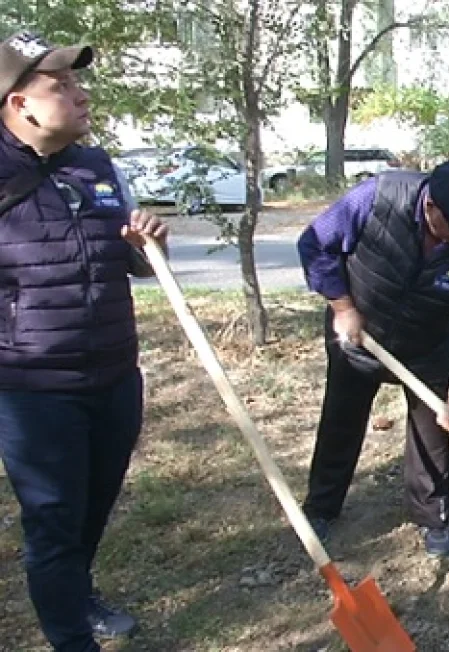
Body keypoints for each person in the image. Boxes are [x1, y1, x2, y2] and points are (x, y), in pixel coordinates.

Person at [0, 30, 169, 651]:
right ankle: (72, 640)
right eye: (61, 86)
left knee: (94, 504)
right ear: (20, 105)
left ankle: (77, 589)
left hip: (115, 374)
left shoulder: (94, 167)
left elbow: (132, 264)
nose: (80, 94)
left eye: (77, 82)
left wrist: (151, 247)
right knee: (53, 519)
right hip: (33, 389)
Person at [297, 159, 449, 557]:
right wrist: (341, 307)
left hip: (428, 347)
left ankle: (432, 517)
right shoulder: (377, 197)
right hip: (358, 334)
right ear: (431, 208)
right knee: (341, 419)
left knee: (432, 436)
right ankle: (321, 508)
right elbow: (314, 243)